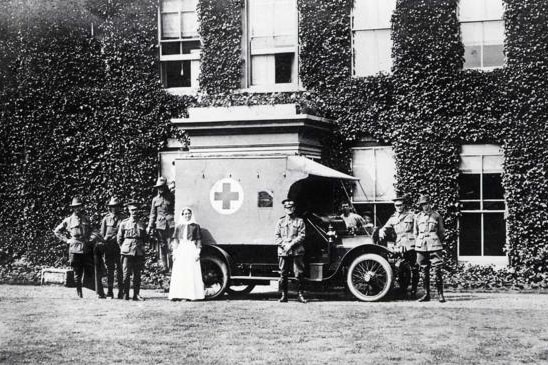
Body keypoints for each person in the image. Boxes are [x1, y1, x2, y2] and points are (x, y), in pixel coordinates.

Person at [380, 195, 419, 299]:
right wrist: (381, 231)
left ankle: (414, 289)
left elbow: (418, 230)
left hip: (411, 244)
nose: (399, 207)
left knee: (414, 267)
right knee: (401, 268)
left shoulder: (411, 215)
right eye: (397, 206)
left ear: (404, 205)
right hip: (399, 245)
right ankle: (403, 289)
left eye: (401, 205)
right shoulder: (393, 218)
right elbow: (385, 227)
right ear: (394, 206)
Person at [53, 197, 91, 298]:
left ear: (81, 207)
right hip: (74, 248)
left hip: (85, 247)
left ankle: (86, 288)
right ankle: (79, 292)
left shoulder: (86, 219)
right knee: (77, 272)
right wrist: (67, 240)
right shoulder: (68, 220)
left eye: (79, 207)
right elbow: (57, 231)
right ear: (73, 208)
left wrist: (90, 239)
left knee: (86, 270)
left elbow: (92, 231)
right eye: (75, 207)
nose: (77, 209)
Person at [168, 207, 205, 301]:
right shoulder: (179, 226)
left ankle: (190, 295)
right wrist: (174, 253)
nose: (187, 215)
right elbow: (175, 240)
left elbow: (198, 240)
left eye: (189, 213)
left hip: (191, 248)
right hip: (181, 249)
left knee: (190, 272)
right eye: (185, 214)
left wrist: (197, 252)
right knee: (180, 272)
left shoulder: (195, 226)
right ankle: (178, 294)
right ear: (182, 215)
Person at [414, 194, 446, 303]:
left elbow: (441, 232)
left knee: (437, 270)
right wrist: (419, 242)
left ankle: (440, 295)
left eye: (426, 204)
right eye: (422, 205)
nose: (425, 206)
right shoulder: (417, 217)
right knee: (423, 270)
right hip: (421, 246)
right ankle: (426, 294)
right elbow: (415, 233)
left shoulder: (436, 216)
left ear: (430, 204)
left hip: (434, 245)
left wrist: (436, 241)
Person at [275, 199, 307, 303]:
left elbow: (302, 235)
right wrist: (284, 245)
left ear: (294, 208)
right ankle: (284, 296)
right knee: (283, 274)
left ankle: (300, 295)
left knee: (299, 273)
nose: (289, 209)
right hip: (283, 251)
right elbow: (277, 237)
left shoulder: (299, 221)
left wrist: (291, 244)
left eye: (291, 207)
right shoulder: (280, 221)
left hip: (296, 251)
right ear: (284, 209)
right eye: (287, 208)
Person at [118, 201, 147, 301]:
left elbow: (144, 238)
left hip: (138, 251)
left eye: (136, 210)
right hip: (127, 251)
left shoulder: (142, 223)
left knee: (137, 274)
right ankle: (126, 294)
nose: (134, 212)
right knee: (126, 274)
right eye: (132, 210)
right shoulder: (124, 223)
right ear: (129, 211)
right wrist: (124, 247)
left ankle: (136, 294)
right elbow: (119, 238)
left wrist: (141, 248)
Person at [146, 177, 175, 272]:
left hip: (171, 225)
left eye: (162, 187)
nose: (160, 189)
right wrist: (149, 226)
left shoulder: (171, 197)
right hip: (160, 226)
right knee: (162, 246)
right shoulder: (155, 200)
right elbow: (152, 214)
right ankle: (164, 266)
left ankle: (172, 267)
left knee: (171, 246)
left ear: (165, 187)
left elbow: (176, 210)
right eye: (158, 187)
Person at [100, 197, 125, 299]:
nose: (114, 208)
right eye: (112, 207)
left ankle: (121, 291)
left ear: (119, 207)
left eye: (116, 206)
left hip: (119, 247)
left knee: (120, 270)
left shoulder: (123, 218)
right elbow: (102, 234)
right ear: (110, 208)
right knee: (110, 270)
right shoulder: (106, 219)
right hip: (109, 248)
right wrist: (105, 240)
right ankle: (110, 291)